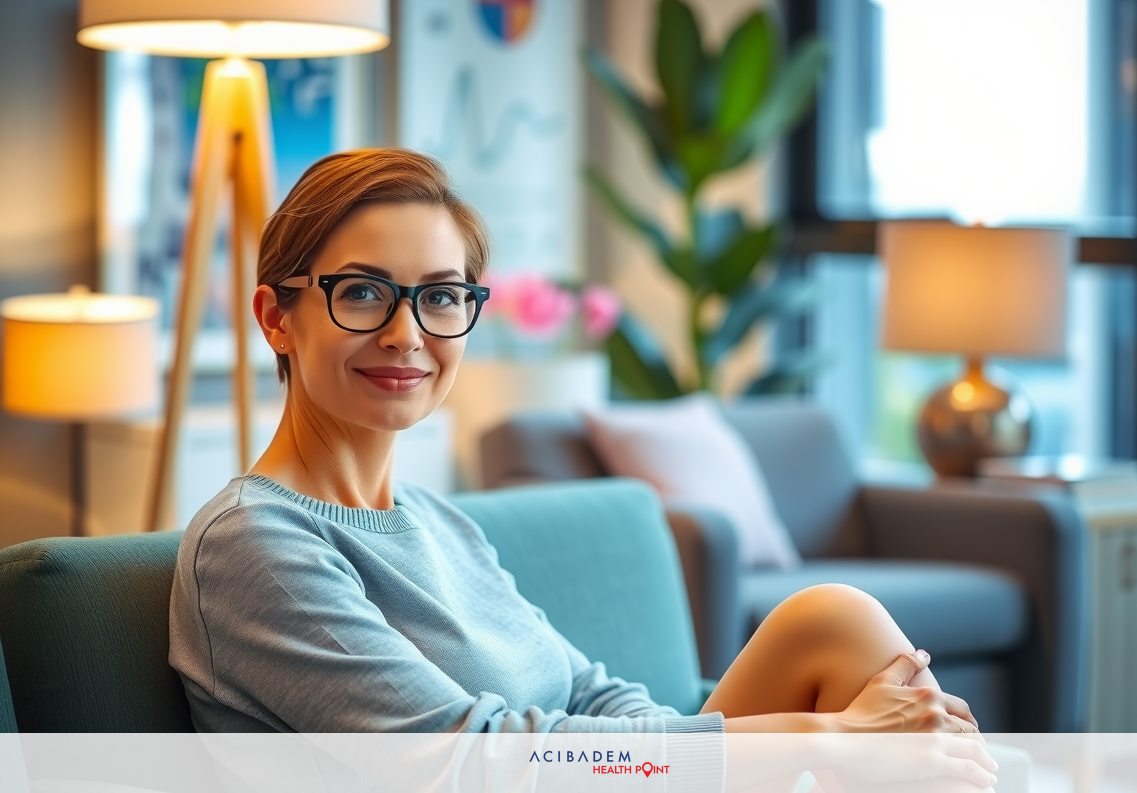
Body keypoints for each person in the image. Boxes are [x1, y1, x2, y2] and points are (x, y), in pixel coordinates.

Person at [168, 148, 995, 790]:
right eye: (362, 293)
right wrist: (827, 741)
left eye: (442, 296)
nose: (406, 333)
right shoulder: (254, 546)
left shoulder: (439, 521)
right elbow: (474, 766)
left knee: (832, 618)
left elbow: (591, 696)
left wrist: (737, 753)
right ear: (277, 317)